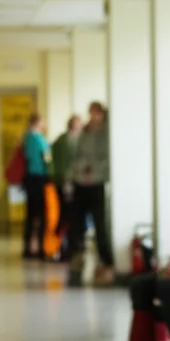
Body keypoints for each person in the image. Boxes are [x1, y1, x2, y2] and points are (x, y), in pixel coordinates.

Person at [70, 102, 114, 285]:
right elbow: (77, 156)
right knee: (77, 223)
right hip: (81, 182)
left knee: (99, 225)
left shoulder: (107, 134)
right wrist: (80, 170)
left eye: (96, 113)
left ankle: (107, 263)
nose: (93, 117)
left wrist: (93, 172)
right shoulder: (85, 133)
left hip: (96, 183)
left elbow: (107, 158)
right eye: (90, 113)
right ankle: (77, 260)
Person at [51, 115, 83, 261]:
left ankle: (65, 246)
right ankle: (63, 247)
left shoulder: (62, 140)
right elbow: (66, 164)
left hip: (67, 182)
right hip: (66, 183)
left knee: (68, 216)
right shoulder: (66, 141)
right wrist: (66, 182)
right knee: (67, 216)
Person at [22, 114, 51, 259]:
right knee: (41, 214)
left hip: (29, 178)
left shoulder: (26, 138)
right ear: (38, 122)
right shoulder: (38, 138)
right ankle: (41, 248)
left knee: (30, 215)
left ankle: (27, 248)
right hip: (39, 178)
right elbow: (46, 157)